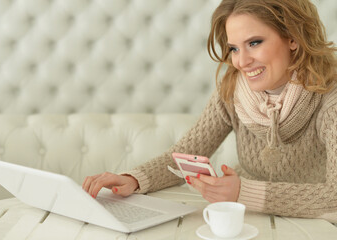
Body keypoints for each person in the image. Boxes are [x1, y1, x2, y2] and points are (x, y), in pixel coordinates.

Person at [83, 0, 337, 222]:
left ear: (293, 37)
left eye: (255, 43)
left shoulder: (330, 98)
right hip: (244, 218)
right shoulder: (232, 90)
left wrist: (243, 192)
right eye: (234, 48)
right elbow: (186, 153)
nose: (241, 61)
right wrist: (134, 179)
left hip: (315, 223)